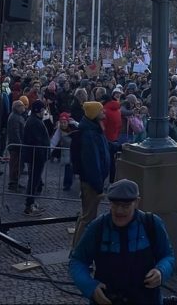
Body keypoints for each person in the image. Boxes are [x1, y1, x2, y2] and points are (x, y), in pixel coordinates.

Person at [69, 179, 175, 305]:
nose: (119, 211)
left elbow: (167, 256)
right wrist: (90, 287)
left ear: (136, 202)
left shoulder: (151, 224)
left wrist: (161, 271)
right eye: (115, 204)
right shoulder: (98, 228)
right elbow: (77, 261)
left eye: (125, 206)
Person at [72, 101, 110, 249]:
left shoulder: (94, 129)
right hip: (91, 182)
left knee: (87, 216)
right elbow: (91, 161)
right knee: (88, 217)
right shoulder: (89, 133)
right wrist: (98, 185)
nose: (104, 113)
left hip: (93, 180)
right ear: (95, 114)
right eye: (101, 111)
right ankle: (77, 250)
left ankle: (78, 248)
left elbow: (103, 147)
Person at [22, 100, 50, 216]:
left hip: (36, 155)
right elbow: (37, 142)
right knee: (34, 179)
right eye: (43, 109)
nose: (44, 111)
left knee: (34, 179)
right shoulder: (34, 122)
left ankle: (31, 203)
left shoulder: (35, 120)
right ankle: (29, 206)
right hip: (36, 156)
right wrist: (42, 155)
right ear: (39, 110)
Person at [50, 112, 78, 192]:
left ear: (68, 122)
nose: (63, 124)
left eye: (64, 122)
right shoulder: (59, 129)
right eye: (61, 123)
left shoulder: (75, 125)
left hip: (77, 148)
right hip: (67, 149)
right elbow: (54, 140)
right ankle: (67, 184)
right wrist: (48, 150)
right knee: (68, 166)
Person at [5, 99, 27, 192]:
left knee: (18, 165)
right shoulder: (15, 117)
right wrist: (20, 144)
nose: (24, 107)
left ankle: (15, 182)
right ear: (17, 107)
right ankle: (13, 184)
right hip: (16, 146)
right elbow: (15, 133)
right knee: (15, 165)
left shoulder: (17, 116)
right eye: (22, 105)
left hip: (17, 144)